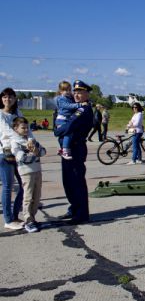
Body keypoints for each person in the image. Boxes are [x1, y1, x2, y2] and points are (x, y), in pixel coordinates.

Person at [55, 80, 94, 225]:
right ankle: (74, 208)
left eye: (80, 92)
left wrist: (58, 130)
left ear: (87, 94)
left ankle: (82, 214)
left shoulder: (84, 110)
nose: (77, 95)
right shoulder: (74, 107)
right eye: (75, 92)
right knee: (68, 181)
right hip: (68, 148)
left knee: (77, 181)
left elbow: (69, 125)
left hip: (76, 148)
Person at [10, 117, 46, 233]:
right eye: (23, 128)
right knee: (28, 196)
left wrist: (36, 151)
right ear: (15, 128)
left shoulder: (32, 140)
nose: (26, 130)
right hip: (26, 172)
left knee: (37, 196)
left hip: (37, 170)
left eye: (27, 127)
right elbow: (21, 157)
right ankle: (28, 220)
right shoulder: (15, 141)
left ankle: (33, 217)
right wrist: (35, 153)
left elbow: (43, 151)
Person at [0, 87, 26, 230]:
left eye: (10, 97)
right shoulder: (0, 114)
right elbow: (8, 131)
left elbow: (24, 127)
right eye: (4, 97)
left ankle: (15, 215)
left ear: (15, 99)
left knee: (24, 184)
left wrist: (31, 142)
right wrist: (24, 141)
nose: (7, 99)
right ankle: (8, 219)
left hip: (18, 153)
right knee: (8, 186)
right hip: (5, 153)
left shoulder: (17, 113)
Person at [54, 81, 82, 160]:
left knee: (64, 135)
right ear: (60, 91)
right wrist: (79, 105)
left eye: (69, 90)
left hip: (65, 119)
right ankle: (65, 150)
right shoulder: (61, 99)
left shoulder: (69, 97)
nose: (68, 92)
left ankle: (62, 149)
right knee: (68, 133)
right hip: (62, 119)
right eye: (66, 90)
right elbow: (68, 106)